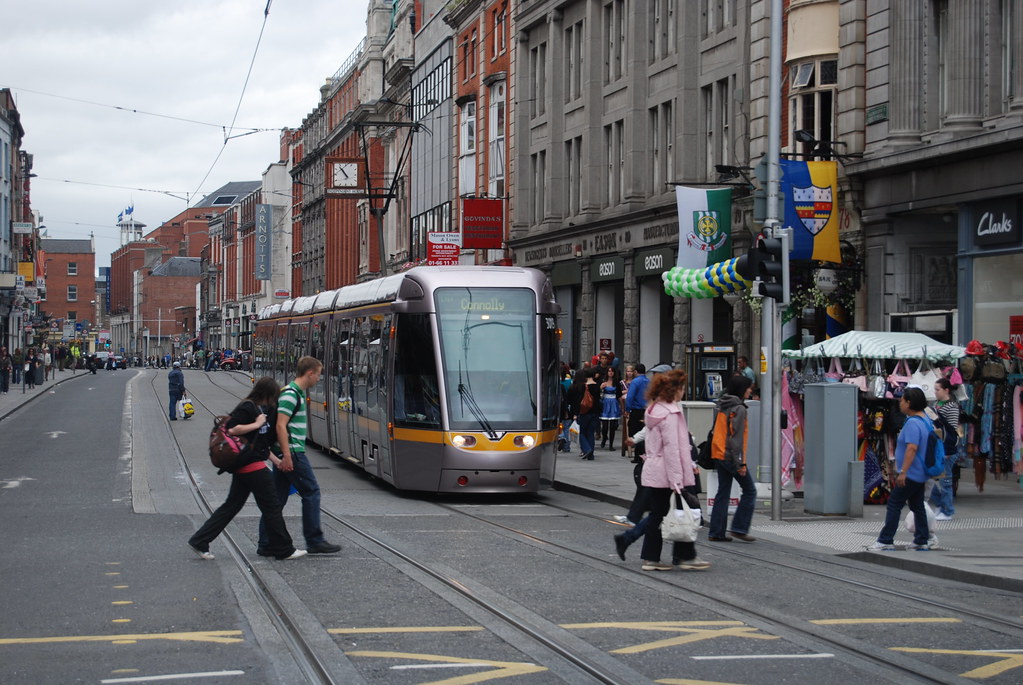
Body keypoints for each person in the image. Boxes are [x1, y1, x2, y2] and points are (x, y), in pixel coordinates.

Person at [189, 378, 307, 561]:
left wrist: (277, 461)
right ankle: (284, 548)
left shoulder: (258, 409)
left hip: (247, 465)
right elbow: (231, 429)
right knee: (272, 505)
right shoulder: (248, 407)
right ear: (267, 394)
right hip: (252, 466)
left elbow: (258, 445)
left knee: (232, 506)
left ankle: (200, 540)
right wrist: (257, 424)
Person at [258, 356, 342, 555]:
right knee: (311, 492)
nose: (319, 379)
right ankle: (314, 540)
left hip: (288, 452)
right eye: (318, 374)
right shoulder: (291, 395)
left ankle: (266, 542)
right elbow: (280, 425)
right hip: (293, 452)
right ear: (310, 373)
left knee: (276, 500)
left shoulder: (294, 393)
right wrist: (286, 455)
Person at [636, 368, 709, 571]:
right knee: (677, 510)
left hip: (657, 471)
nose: (683, 392)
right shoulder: (670, 413)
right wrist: (678, 478)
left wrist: (690, 465)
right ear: (675, 390)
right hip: (668, 472)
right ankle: (680, 556)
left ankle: (661, 557)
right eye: (682, 388)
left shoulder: (656, 409)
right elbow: (672, 448)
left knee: (665, 512)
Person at [869, 386, 933, 551]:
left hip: (911, 472)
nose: (900, 403)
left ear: (909, 403)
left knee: (894, 503)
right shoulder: (925, 420)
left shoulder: (912, 423)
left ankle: (886, 539)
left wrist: (903, 471)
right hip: (921, 472)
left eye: (902, 400)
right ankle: (921, 539)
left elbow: (912, 448)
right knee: (917, 505)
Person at [708, 374, 757, 543]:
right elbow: (736, 439)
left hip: (718, 453)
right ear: (742, 389)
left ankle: (716, 531)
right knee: (750, 491)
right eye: (749, 388)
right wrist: (741, 463)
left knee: (723, 492)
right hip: (730, 456)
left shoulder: (723, 405)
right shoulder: (739, 409)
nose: (750, 390)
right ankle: (739, 528)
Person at [928, 377, 960, 520]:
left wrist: (948, 449)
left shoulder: (952, 406)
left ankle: (948, 510)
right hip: (937, 447)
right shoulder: (935, 404)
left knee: (945, 480)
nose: (935, 392)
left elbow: (952, 430)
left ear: (946, 390)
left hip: (947, 448)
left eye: (937, 389)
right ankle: (941, 505)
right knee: (930, 478)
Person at [566, 367, 601, 460]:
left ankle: (587, 449)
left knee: (582, 433)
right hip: (595, 413)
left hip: (584, 412)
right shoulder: (598, 386)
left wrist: (575, 413)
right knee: (590, 433)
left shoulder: (582, 386)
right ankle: (591, 454)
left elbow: (578, 401)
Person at [599, 367, 623, 450]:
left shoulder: (617, 383)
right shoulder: (603, 381)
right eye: (609, 371)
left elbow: (619, 395)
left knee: (612, 426)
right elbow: (598, 393)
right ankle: (604, 438)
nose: (611, 373)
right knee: (604, 426)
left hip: (614, 403)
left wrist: (622, 407)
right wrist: (600, 388)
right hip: (605, 403)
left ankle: (611, 445)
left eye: (612, 371)